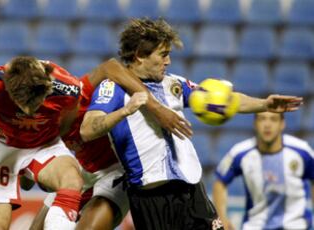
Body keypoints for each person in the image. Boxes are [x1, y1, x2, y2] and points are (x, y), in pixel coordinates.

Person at [80, 18, 303, 230]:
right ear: (139, 55)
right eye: (163, 54)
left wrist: (264, 104)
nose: (168, 61)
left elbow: (223, 101)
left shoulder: (174, 84)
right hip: (152, 199)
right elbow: (88, 129)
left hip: (192, 191)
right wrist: (124, 112)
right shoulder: (113, 89)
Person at [0, 55, 188, 230]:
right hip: (0, 148)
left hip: (43, 145)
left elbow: (73, 109)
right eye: (21, 105)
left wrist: (58, 136)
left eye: (33, 105)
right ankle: (24, 177)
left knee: (72, 180)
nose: (27, 112)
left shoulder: (67, 87)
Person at [213, 112, 314, 230]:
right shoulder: (240, 152)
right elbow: (220, 183)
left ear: (282, 124)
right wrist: (222, 218)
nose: (267, 125)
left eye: (273, 119)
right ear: (255, 123)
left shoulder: (302, 151)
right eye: (262, 119)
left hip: (296, 226)